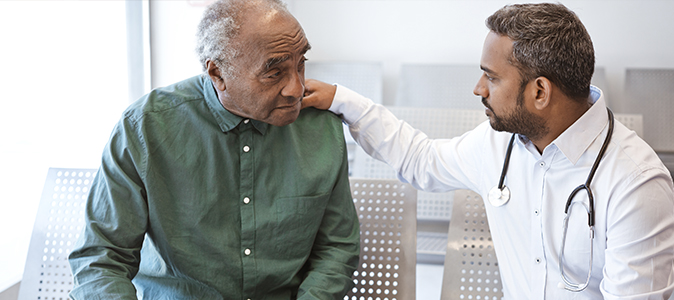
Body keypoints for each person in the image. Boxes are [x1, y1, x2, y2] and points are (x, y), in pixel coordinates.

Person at [303, 3, 674, 299]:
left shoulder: (637, 185)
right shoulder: (498, 143)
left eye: (492, 77)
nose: (478, 88)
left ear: (539, 92)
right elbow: (421, 159)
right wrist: (341, 99)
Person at [68, 0, 360, 299]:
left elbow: (336, 248)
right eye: (274, 74)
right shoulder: (145, 128)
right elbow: (102, 259)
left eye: (300, 64)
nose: (296, 89)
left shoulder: (320, 127)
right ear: (218, 74)